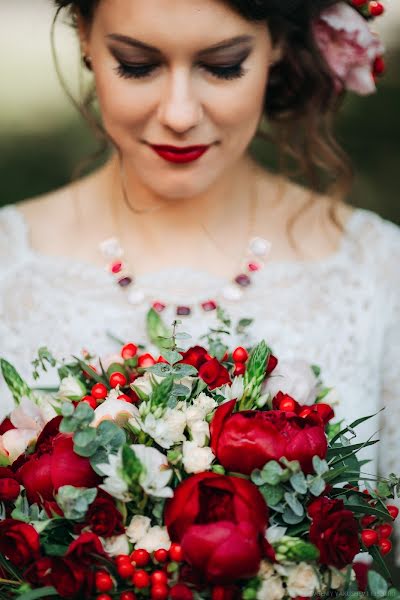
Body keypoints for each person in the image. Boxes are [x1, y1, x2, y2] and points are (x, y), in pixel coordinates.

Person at [0, 0, 399, 563]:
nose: (181, 113)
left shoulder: (379, 271)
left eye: (224, 65)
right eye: (138, 66)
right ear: (86, 37)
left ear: (278, 46)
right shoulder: (6, 266)